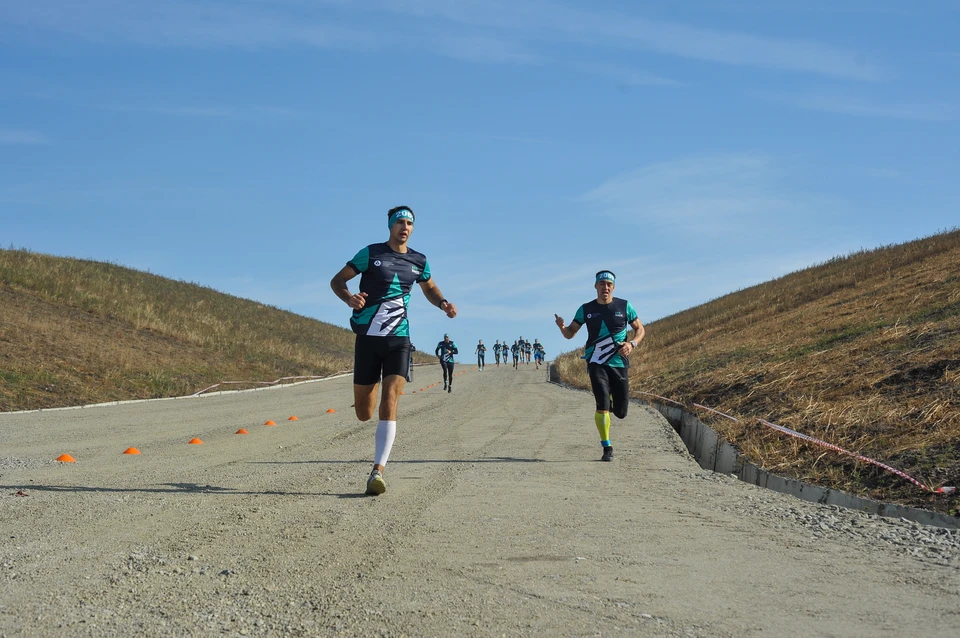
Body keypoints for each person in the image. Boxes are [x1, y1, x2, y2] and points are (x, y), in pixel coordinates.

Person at [330, 205, 457, 496]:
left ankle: (378, 470)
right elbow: (337, 281)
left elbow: (430, 288)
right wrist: (350, 298)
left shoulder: (419, 260)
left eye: (410, 223)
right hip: (368, 339)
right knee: (364, 412)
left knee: (391, 396)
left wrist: (443, 303)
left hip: (399, 340)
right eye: (400, 222)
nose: (405, 227)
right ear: (390, 225)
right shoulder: (371, 254)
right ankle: (371, 414)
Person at [555, 270, 644, 462]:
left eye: (609, 284)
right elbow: (571, 333)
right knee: (602, 404)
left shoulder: (624, 306)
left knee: (621, 412)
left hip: (618, 362)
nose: (605, 287)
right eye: (602, 284)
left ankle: (612, 397)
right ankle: (607, 447)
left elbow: (640, 329)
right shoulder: (586, 309)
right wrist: (562, 327)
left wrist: (632, 344)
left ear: (613, 287)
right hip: (596, 361)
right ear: (596, 286)